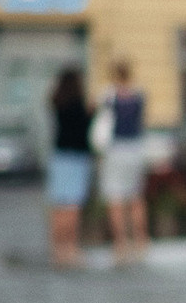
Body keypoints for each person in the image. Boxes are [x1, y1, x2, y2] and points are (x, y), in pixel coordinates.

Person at [97, 61, 149, 265]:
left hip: (115, 148)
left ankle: (120, 244)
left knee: (116, 199)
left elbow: (100, 119)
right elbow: (142, 122)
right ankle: (141, 240)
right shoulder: (138, 95)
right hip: (135, 148)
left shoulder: (109, 96)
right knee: (136, 197)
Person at [45, 66, 94, 269]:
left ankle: (57, 250)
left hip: (59, 156)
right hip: (77, 157)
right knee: (73, 205)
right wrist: (92, 114)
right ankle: (71, 248)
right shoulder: (79, 104)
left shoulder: (57, 102)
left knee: (58, 205)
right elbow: (83, 130)